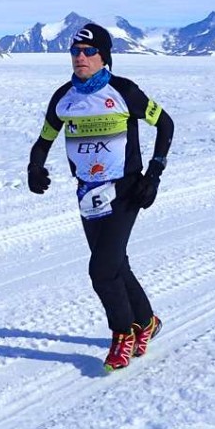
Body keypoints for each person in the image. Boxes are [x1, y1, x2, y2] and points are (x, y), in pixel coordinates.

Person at [27, 22, 174, 372]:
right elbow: (45, 138)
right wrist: (35, 167)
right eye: (75, 51)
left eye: (89, 51)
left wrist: (154, 174)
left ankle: (122, 334)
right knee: (115, 263)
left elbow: (165, 124)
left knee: (101, 269)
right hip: (87, 194)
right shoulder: (64, 97)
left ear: (104, 57)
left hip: (125, 190)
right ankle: (147, 322)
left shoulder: (124, 91)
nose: (80, 57)